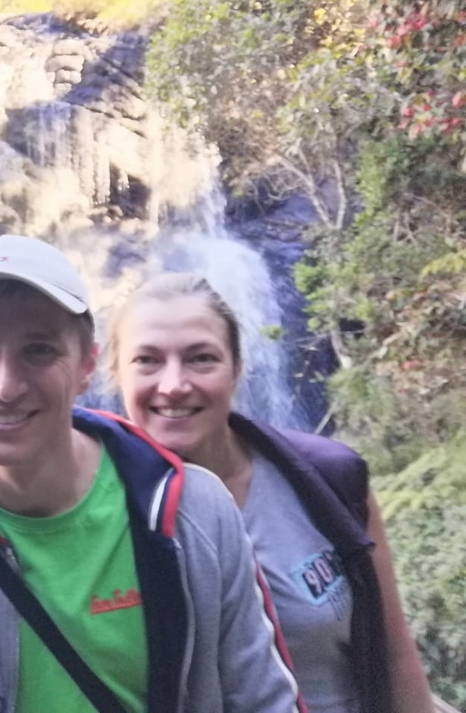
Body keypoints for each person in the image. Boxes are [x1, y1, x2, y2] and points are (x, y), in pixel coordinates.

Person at [0, 234, 303, 713]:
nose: (5, 386)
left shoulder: (195, 510)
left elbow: (262, 698)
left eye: (38, 350)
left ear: (87, 365)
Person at [105, 272, 433, 713]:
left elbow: (395, 658)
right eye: (147, 360)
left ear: (237, 368)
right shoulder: (89, 512)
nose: (174, 385)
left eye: (201, 358)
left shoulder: (327, 480)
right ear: (114, 372)